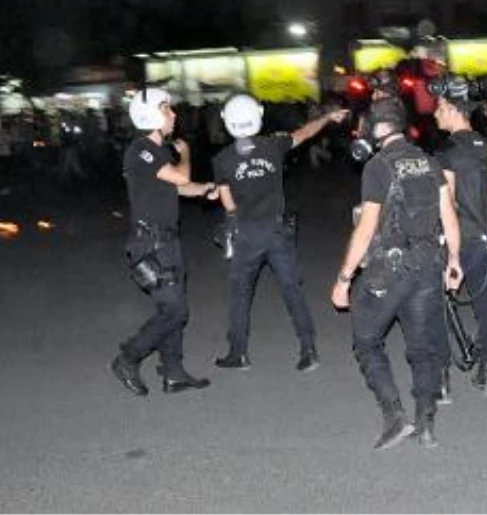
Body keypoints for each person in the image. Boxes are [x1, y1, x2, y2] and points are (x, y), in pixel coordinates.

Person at [330, 98, 462, 450]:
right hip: (430, 263)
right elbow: (448, 214)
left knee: (367, 340)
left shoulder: (378, 166)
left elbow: (366, 227)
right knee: (422, 346)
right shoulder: (429, 161)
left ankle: (394, 416)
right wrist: (455, 260)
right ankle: (427, 422)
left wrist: (344, 279)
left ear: (378, 128)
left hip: (390, 269)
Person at [212, 94, 346, 372]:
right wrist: (326, 117)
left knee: (240, 293)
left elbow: (227, 198)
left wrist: (233, 220)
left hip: (247, 233)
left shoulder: (222, 159)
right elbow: (305, 133)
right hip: (276, 230)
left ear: (227, 121)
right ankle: (308, 348)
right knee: (291, 290)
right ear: (258, 115)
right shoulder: (273, 145)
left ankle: (239, 352)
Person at [110, 89, 218, 397]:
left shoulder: (154, 154)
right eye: (167, 110)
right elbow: (181, 178)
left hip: (166, 242)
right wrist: (185, 154)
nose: (174, 115)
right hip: (152, 244)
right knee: (175, 312)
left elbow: (179, 188)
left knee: (171, 307)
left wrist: (205, 189)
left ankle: (174, 373)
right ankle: (127, 358)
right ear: (152, 115)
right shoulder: (142, 149)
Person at [433, 76, 487, 394]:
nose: (436, 114)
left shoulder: (448, 153)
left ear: (454, 110)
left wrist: (444, 245)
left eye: (440, 108)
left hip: (462, 239)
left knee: (439, 302)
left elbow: (447, 202)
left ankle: (442, 379)